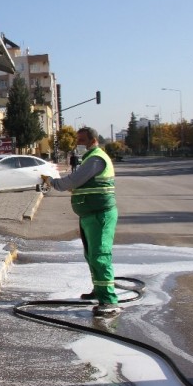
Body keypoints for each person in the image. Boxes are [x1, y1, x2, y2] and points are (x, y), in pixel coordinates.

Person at [41, 127, 120, 317]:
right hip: (89, 215)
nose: (78, 144)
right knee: (91, 255)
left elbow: (71, 181)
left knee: (100, 256)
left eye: (82, 140)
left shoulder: (95, 159)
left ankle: (109, 301)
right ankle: (98, 290)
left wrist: (52, 182)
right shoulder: (89, 158)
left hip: (100, 214)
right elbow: (83, 185)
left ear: (93, 140)